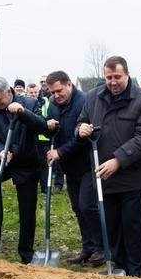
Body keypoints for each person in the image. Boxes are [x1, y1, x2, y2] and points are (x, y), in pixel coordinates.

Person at [77, 56, 141, 277]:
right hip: (104, 177)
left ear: (127, 74)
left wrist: (118, 160)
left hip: (132, 177)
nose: (112, 82)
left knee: (132, 225)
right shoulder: (93, 97)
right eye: (109, 77)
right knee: (111, 224)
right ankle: (118, 266)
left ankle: (135, 271)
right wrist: (80, 129)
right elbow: (81, 121)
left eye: (117, 77)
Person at [0, 76, 56, 263]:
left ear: (9, 92)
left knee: (27, 208)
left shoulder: (30, 103)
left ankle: (26, 251)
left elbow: (43, 127)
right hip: (3, 159)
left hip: (27, 160)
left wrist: (23, 113)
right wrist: (0, 151)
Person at [44, 71, 104, 265]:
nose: (56, 95)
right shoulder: (53, 106)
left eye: (59, 90)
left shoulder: (84, 102)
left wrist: (59, 153)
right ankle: (88, 248)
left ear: (69, 84)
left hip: (88, 165)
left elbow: (82, 138)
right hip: (71, 167)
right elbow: (54, 134)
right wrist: (50, 128)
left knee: (88, 206)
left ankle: (102, 247)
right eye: (52, 92)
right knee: (78, 208)